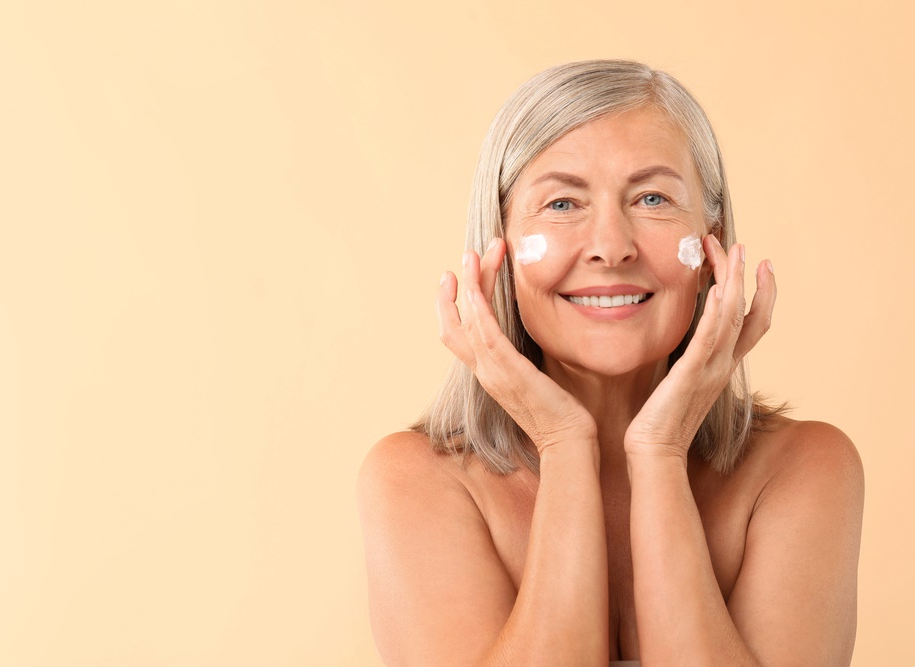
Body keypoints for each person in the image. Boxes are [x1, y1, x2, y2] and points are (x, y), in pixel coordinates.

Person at [357, 60, 864, 666]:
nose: (610, 246)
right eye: (563, 204)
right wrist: (564, 442)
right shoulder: (417, 481)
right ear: (498, 245)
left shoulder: (803, 469)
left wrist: (659, 451)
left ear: (712, 247)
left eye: (652, 198)